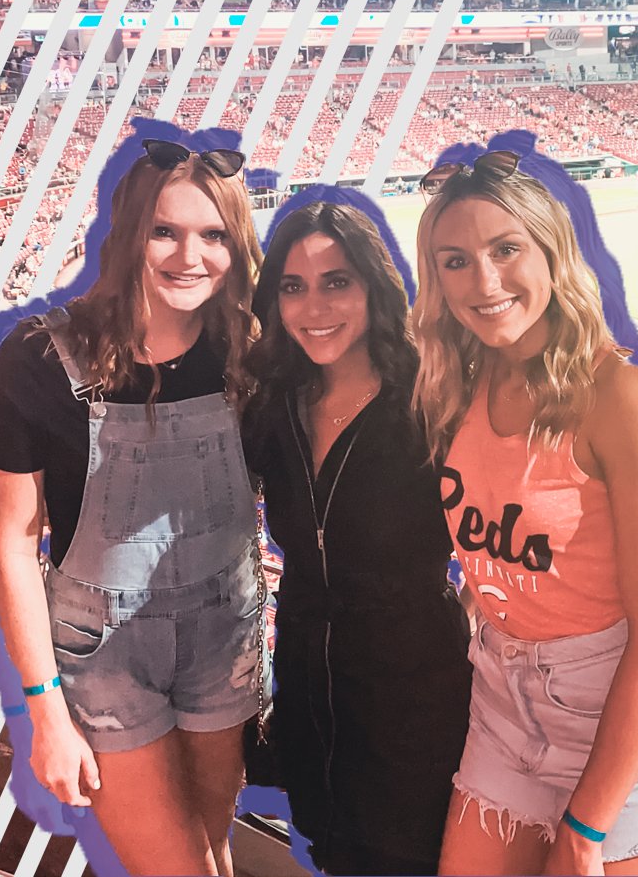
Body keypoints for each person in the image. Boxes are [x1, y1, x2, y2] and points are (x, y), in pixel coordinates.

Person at [412, 150, 638, 875]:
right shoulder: (454, 385)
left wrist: (585, 829)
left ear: (552, 253)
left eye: (506, 250)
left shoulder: (626, 397)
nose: (485, 281)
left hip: (620, 718)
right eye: (455, 260)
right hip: (502, 704)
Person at [0, 136, 266, 875]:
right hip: (102, 659)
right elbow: (11, 544)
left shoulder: (250, 352)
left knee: (212, 852)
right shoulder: (38, 359)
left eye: (213, 235)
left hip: (224, 640)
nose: (188, 256)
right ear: (129, 231)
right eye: (165, 231)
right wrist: (41, 708)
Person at [242, 199, 472, 876]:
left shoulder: (435, 399)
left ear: (375, 283)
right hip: (312, 702)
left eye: (337, 281)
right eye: (294, 285)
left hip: (418, 707)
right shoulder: (272, 403)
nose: (315, 305)